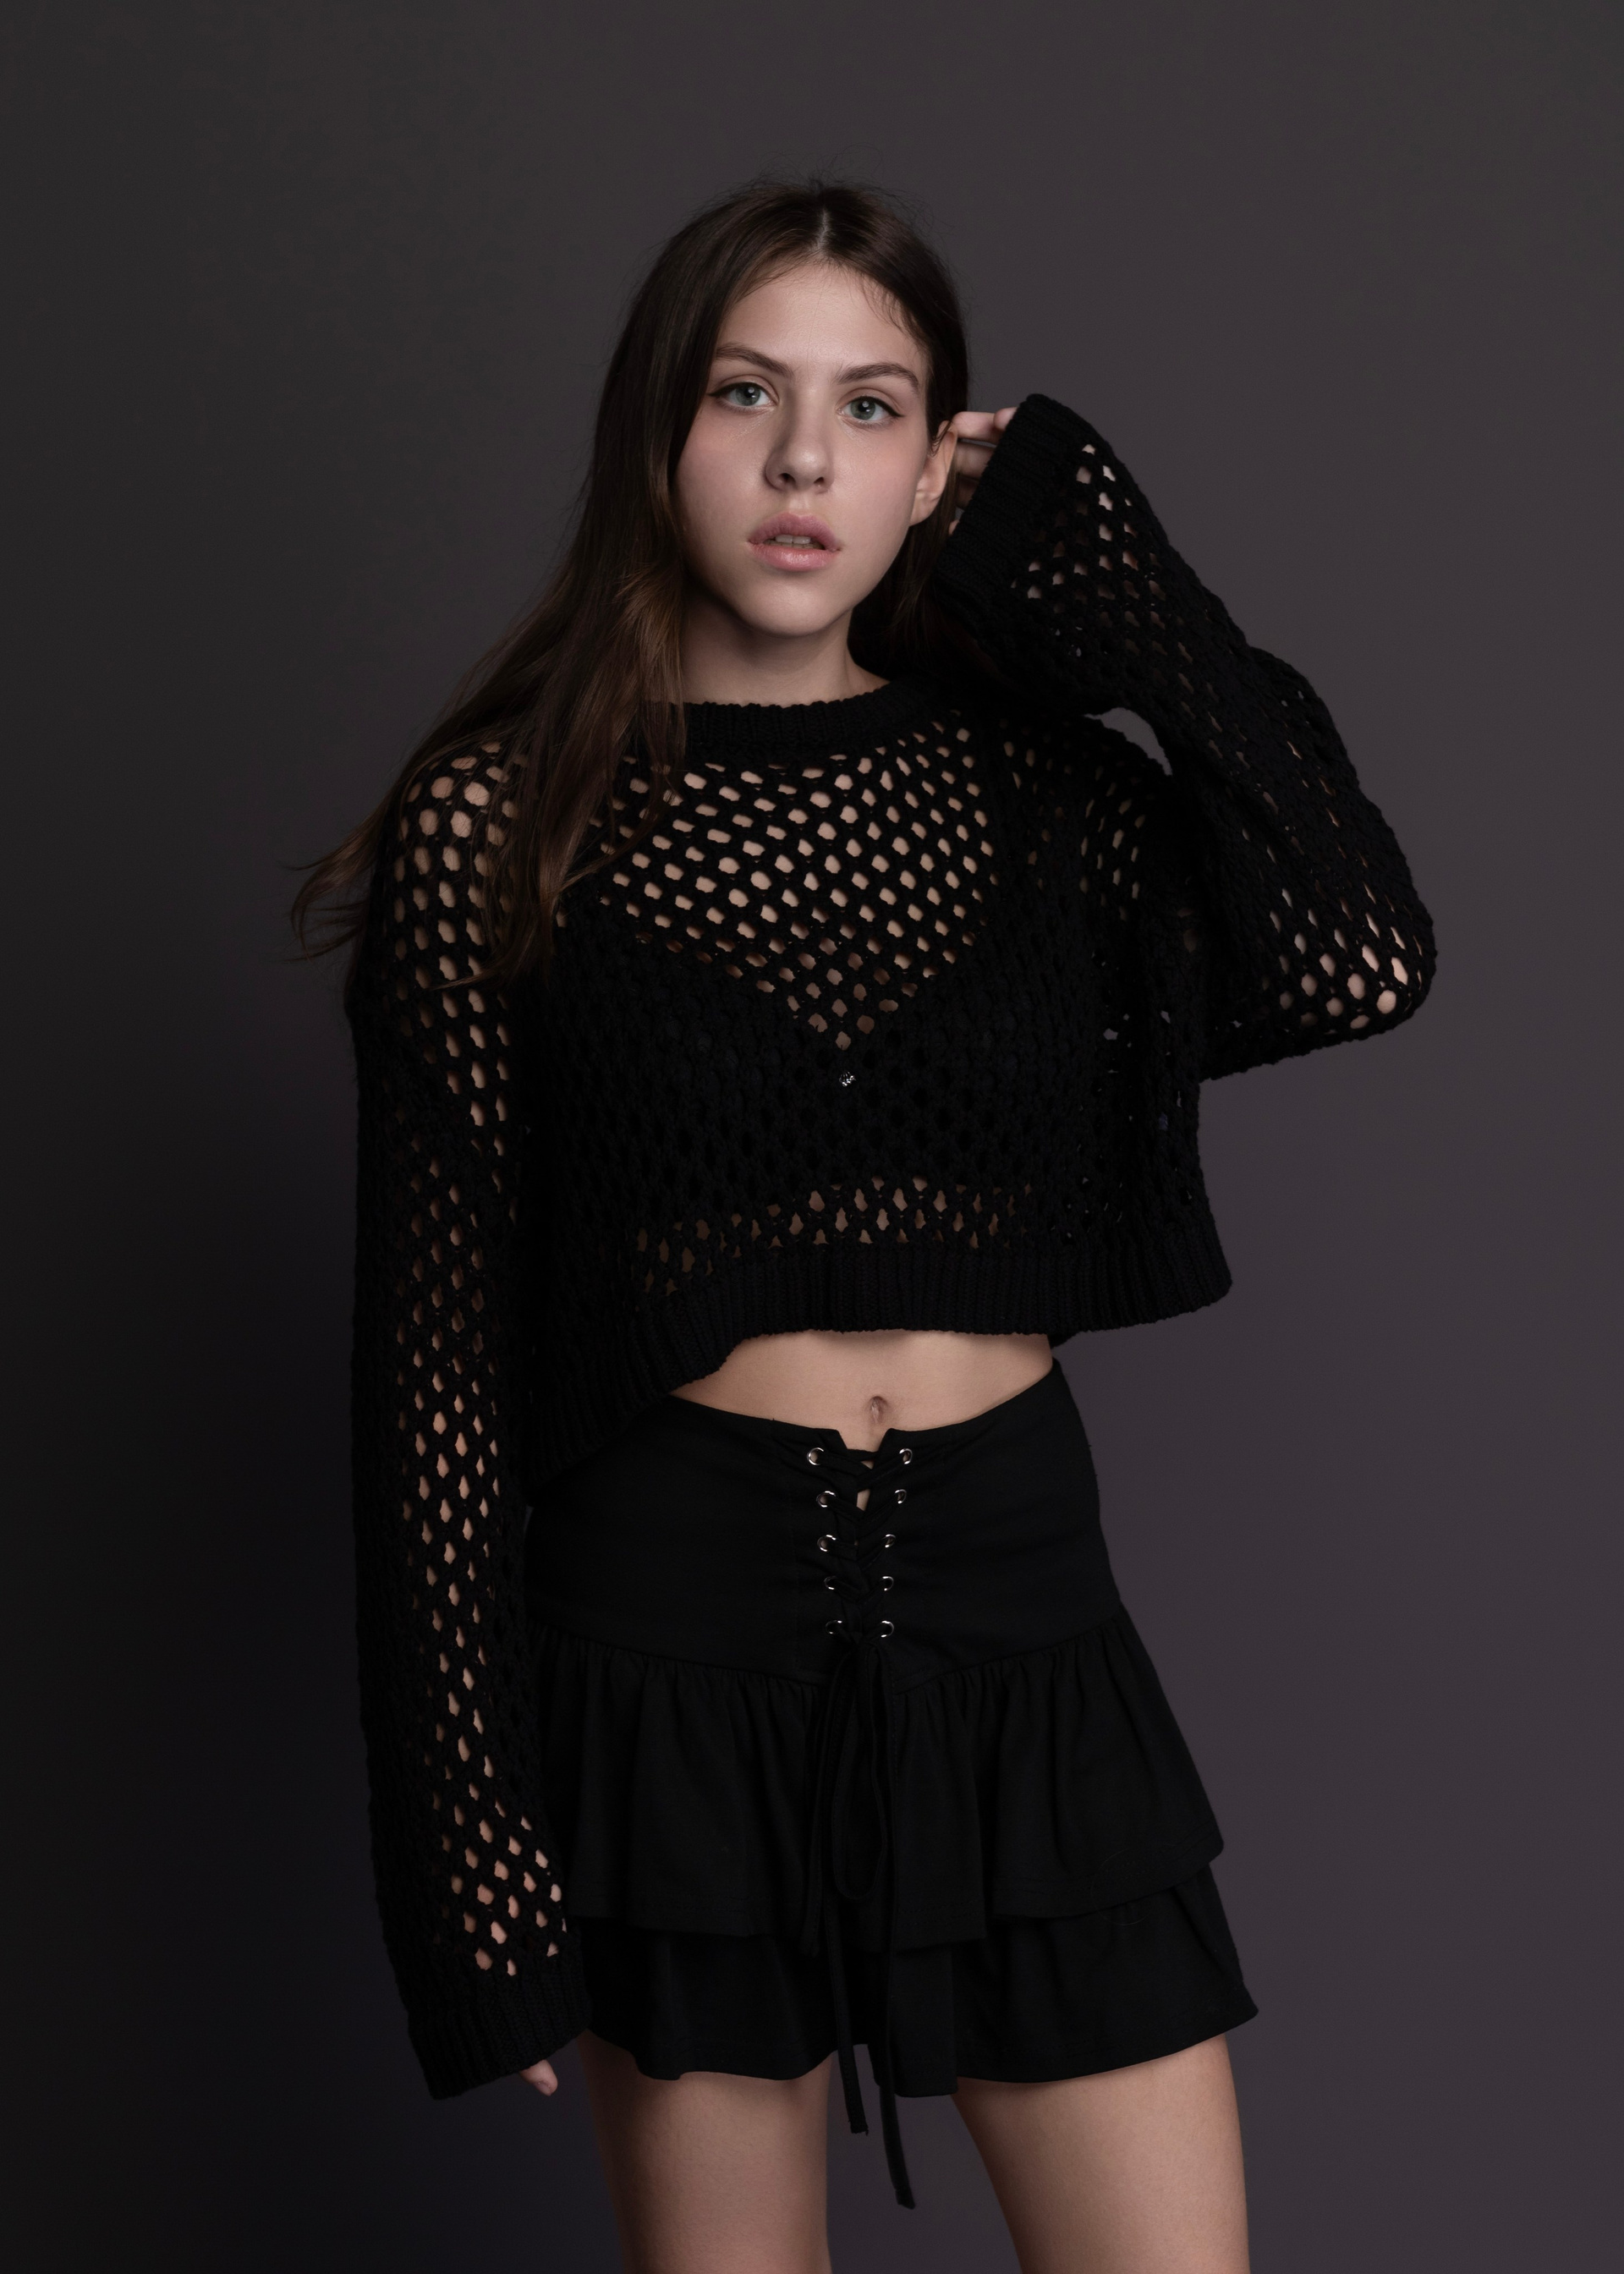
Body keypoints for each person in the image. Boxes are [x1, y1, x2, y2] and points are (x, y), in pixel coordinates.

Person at [298, 179, 1434, 2274]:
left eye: (872, 407)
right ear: (659, 433)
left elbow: (1358, 951)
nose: (806, 461)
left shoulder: (1044, 800)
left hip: (1021, 1629)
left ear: (936, 469)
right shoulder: (503, 823)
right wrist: (469, 1855)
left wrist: (1125, 586)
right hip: (665, 1659)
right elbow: (431, 1387)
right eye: (747, 394)